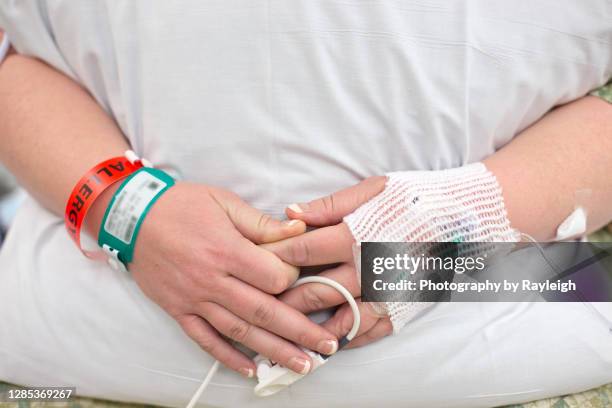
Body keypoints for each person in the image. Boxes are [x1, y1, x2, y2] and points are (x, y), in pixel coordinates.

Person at [0, 2, 611, 407]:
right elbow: (13, 59)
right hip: (75, 372)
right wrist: (129, 209)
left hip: (525, 371)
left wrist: (453, 227)